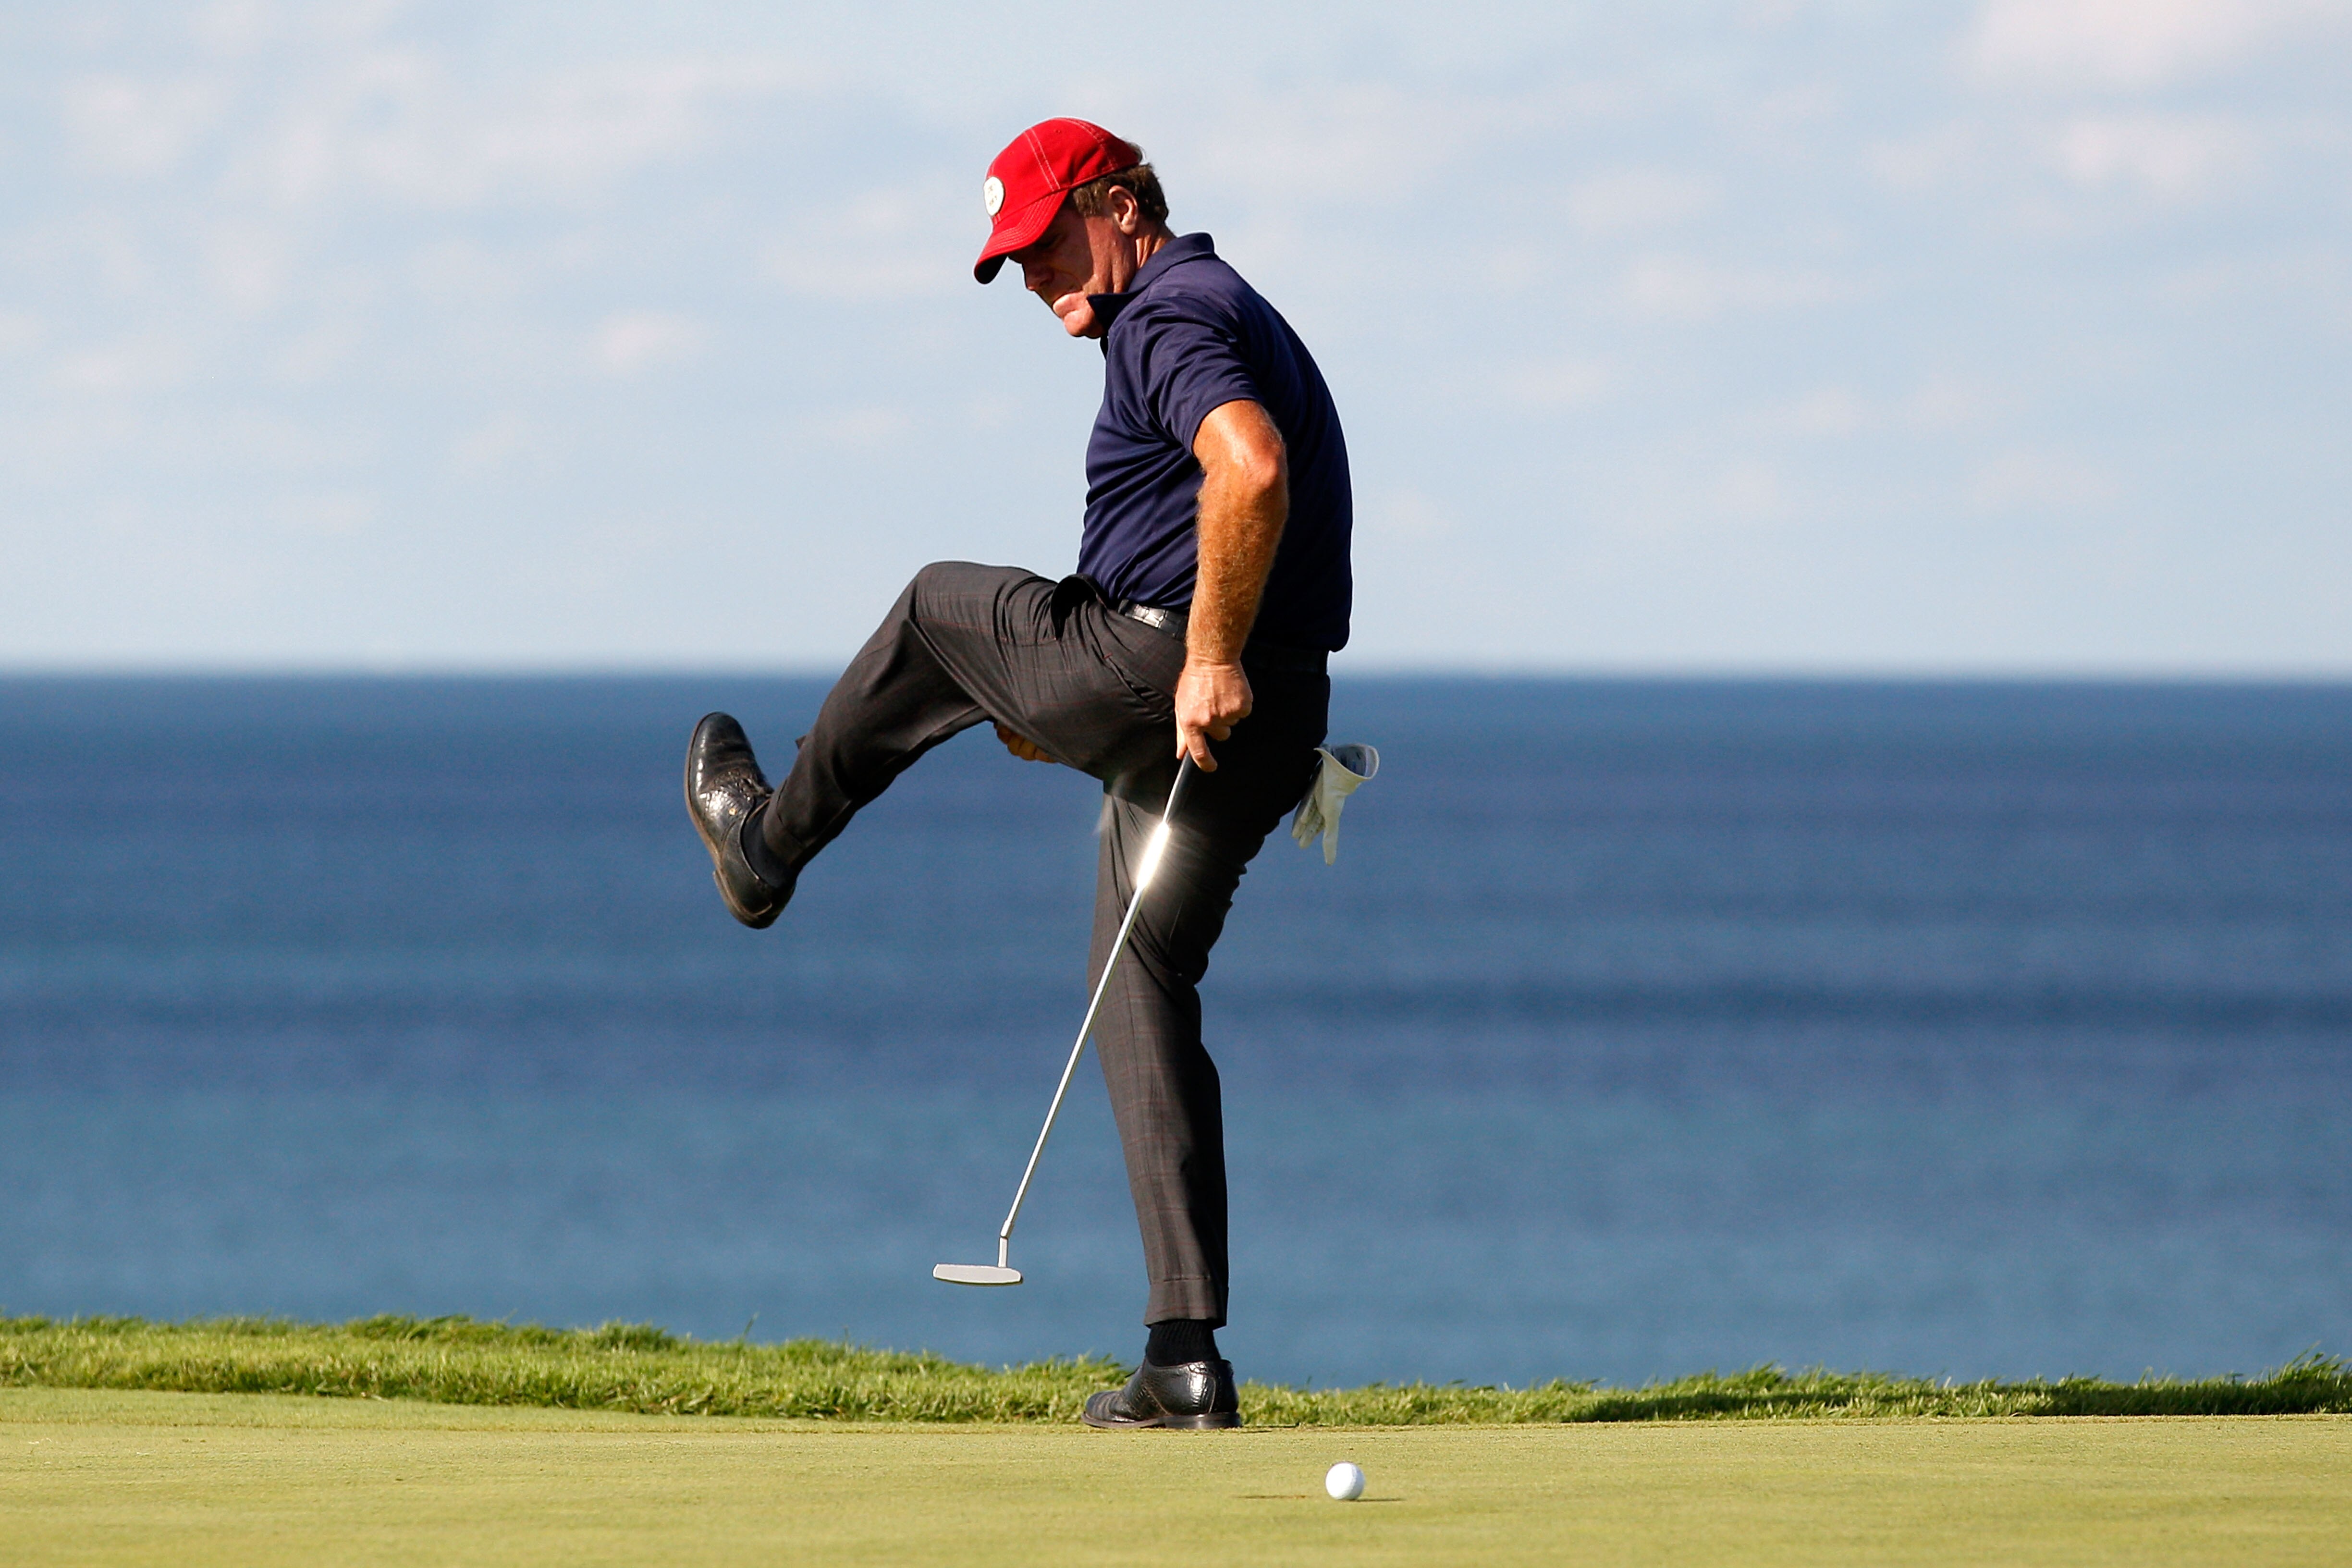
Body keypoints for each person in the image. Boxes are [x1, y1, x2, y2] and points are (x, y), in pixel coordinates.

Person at [684, 117, 1353, 1430]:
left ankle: (764, 850)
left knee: (938, 609)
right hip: (1270, 717)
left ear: (1121, 206)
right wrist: (1110, 692)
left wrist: (1202, 657)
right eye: (1014, 261)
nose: (1034, 276)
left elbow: (1252, 467)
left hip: (1178, 670)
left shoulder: (1170, 312)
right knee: (1139, 982)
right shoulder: (1222, 308)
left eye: (1046, 242)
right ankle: (1184, 1361)